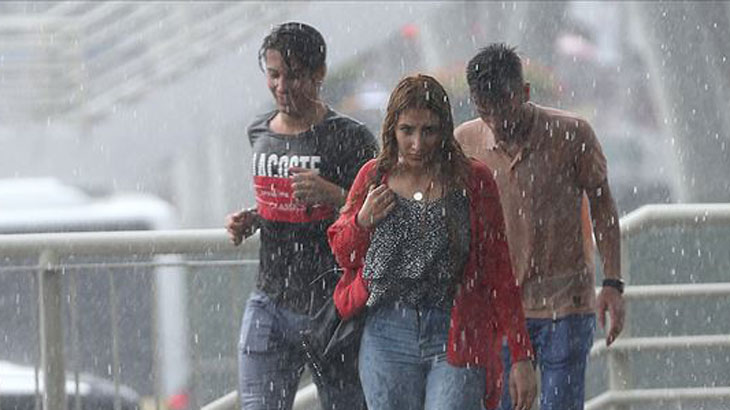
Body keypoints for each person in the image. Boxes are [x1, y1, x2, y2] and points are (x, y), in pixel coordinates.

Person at [327, 74, 537, 410]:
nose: (417, 143)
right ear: (392, 130)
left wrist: (521, 354)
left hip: (455, 328)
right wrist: (361, 221)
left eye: (429, 131)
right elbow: (343, 253)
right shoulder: (374, 176)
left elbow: (499, 270)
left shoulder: (472, 180)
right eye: (407, 130)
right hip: (386, 330)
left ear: (444, 130)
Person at [455, 43, 625, 410]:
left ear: (525, 92)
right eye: (485, 112)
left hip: (566, 302)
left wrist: (612, 282)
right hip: (500, 307)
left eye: (504, 108)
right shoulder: (465, 143)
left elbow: (603, 207)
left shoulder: (572, 134)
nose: (496, 123)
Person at [225, 22, 378, 410]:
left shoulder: (350, 136)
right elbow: (281, 203)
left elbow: (381, 215)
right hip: (270, 298)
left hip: (334, 304)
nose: (282, 86)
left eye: (293, 75)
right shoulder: (259, 131)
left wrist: (335, 195)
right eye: (274, 75)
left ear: (319, 73)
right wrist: (254, 218)